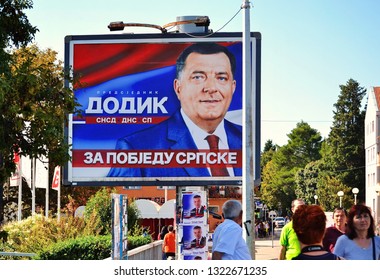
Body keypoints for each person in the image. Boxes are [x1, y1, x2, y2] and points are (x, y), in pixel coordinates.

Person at [107, 42, 242, 177]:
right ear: (178, 88)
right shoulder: (135, 148)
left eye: (221, 78)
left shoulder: (246, 139)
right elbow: (118, 194)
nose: (211, 88)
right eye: (198, 77)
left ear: (233, 87)